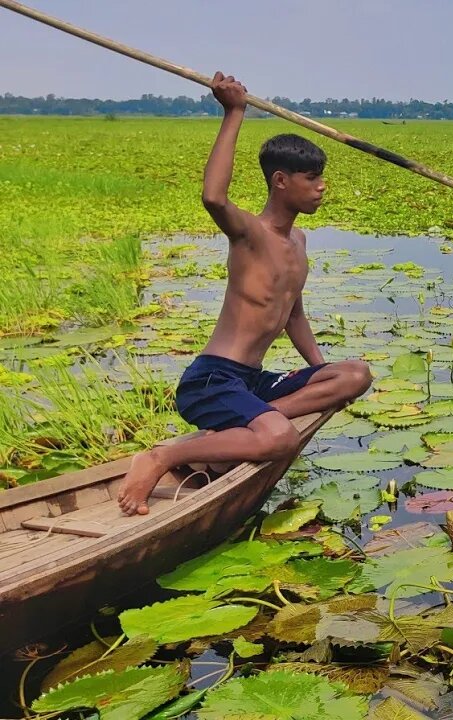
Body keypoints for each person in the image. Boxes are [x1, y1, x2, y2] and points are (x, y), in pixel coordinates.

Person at [117, 71, 373, 515]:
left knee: (353, 375)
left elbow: (293, 315)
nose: (321, 187)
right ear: (280, 181)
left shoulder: (299, 243)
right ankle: (163, 455)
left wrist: (323, 373)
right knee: (279, 438)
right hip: (214, 379)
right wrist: (234, 111)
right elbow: (214, 197)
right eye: (311, 179)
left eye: (321, 178)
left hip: (253, 380)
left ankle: (235, 432)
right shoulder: (250, 235)